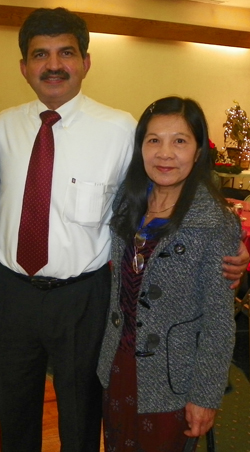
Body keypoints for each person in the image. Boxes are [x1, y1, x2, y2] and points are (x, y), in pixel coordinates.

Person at [0, 7, 248, 452]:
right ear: (24, 67)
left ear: (86, 61)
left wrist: (228, 249)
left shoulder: (121, 129)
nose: (53, 65)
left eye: (66, 53)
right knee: (13, 417)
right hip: (11, 296)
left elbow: (170, 188)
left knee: (82, 417)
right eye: (40, 55)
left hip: (84, 299)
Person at [97, 96, 241, 451]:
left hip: (174, 378)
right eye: (154, 140)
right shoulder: (125, 203)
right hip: (118, 365)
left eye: (180, 141)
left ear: (197, 151)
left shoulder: (215, 222)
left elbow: (220, 321)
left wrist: (205, 395)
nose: (165, 153)